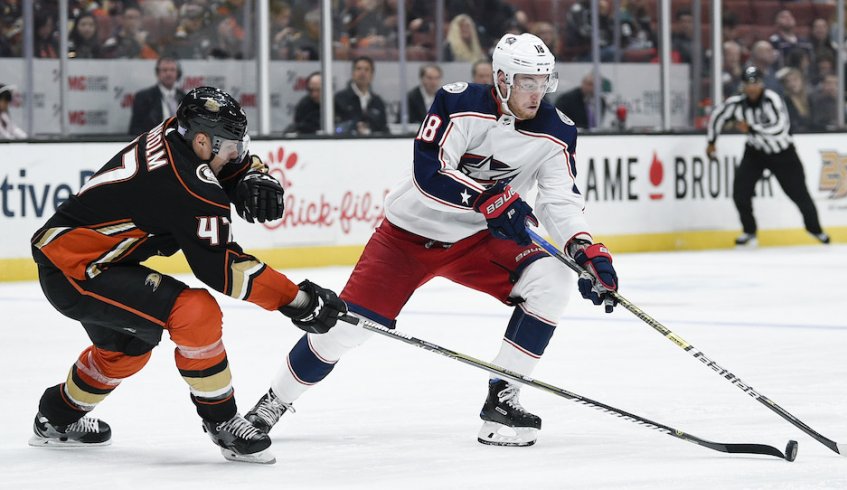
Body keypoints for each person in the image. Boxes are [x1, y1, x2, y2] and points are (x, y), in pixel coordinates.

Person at [244, 33, 618, 448]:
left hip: (479, 240)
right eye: (527, 82)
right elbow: (429, 173)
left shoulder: (557, 129)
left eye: (544, 81)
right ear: (501, 78)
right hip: (407, 237)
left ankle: (503, 399)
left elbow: (559, 200)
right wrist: (486, 199)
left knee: (553, 279)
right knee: (347, 329)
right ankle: (272, 403)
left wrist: (582, 249)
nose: (538, 93)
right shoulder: (457, 103)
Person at [28, 86, 346, 464]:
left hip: (85, 258)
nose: (237, 155)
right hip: (76, 272)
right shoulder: (186, 186)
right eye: (232, 147)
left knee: (127, 349)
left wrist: (249, 174)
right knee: (195, 312)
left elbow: (215, 165)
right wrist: (299, 301)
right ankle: (223, 421)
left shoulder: (176, 133)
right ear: (201, 140)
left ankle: (55, 418)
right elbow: (225, 271)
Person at [706, 67, 830, 247]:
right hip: (755, 153)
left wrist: (752, 129)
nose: (752, 88)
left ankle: (815, 229)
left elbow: (780, 128)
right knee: (740, 192)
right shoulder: (737, 104)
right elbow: (718, 116)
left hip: (783, 153)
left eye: (755, 83)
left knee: (799, 194)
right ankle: (749, 231)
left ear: (761, 84)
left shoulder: (772, 100)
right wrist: (711, 141)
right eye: (748, 84)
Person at [128, 57, 185, 136]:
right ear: (158, 73)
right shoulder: (143, 98)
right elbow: (135, 129)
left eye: (172, 70)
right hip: (153, 145)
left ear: (178, 73)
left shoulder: (184, 97)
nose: (168, 73)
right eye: (164, 70)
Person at [334, 56, 388, 135]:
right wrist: (353, 128)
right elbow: (336, 127)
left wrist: (370, 130)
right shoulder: (340, 99)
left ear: (372, 75)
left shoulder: (377, 102)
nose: (362, 73)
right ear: (353, 73)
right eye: (358, 69)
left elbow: (384, 128)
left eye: (366, 70)